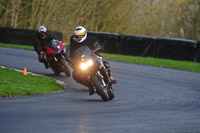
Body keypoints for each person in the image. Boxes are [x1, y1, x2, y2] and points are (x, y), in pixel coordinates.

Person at [66, 26, 117, 95]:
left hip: (93, 56)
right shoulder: (73, 43)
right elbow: (69, 53)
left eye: (81, 34)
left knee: (105, 63)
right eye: (77, 35)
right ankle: (90, 86)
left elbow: (100, 45)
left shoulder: (91, 39)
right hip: (81, 62)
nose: (79, 36)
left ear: (84, 34)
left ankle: (110, 76)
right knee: (76, 75)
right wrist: (70, 59)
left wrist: (98, 47)